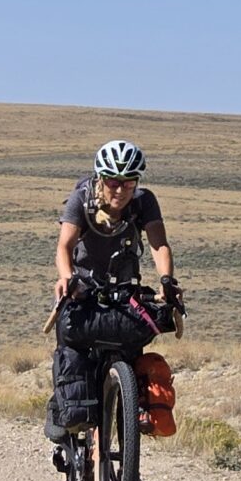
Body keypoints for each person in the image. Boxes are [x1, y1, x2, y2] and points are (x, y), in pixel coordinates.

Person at [46, 139, 184, 446]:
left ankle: (127, 461)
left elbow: (158, 243)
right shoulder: (81, 197)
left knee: (131, 360)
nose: (120, 191)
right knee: (72, 348)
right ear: (100, 179)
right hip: (84, 285)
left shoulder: (144, 201)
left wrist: (166, 279)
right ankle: (62, 406)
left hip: (123, 286)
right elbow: (65, 246)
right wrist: (67, 277)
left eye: (128, 183)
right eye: (113, 182)